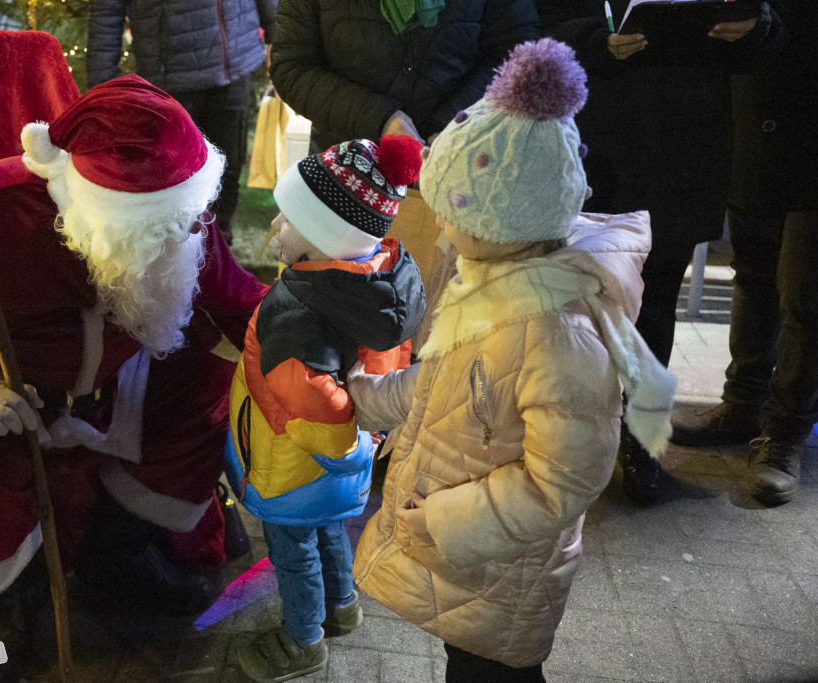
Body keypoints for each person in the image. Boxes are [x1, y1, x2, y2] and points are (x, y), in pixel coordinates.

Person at [0, 75, 269, 681]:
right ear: (103, 209)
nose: (190, 234)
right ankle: (11, 598)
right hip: (15, 393)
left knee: (203, 392)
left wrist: (308, 342)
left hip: (126, 384)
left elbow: (236, 297)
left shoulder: (176, 209)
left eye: (192, 214)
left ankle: (122, 555)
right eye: (162, 225)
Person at [346, 40, 677, 681]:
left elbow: (565, 481)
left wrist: (444, 522)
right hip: (470, 558)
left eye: (451, 216)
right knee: (465, 663)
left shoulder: (557, 332)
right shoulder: (497, 279)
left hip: (500, 564)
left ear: (504, 220)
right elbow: (449, 384)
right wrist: (368, 399)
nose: (440, 231)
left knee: (492, 672)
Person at [535, 0, 784, 503]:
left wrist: (757, 30)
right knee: (571, 296)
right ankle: (564, 440)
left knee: (656, 300)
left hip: (686, 139)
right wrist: (590, 41)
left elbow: (767, 42)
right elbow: (529, 24)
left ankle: (641, 443)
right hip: (595, 133)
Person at [225, 135, 426, 682]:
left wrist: (339, 444)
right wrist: (361, 444)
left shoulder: (296, 312)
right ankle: (343, 606)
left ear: (320, 240)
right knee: (332, 529)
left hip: (296, 467)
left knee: (294, 551)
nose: (275, 229)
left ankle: (302, 640)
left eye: (287, 221)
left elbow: (309, 402)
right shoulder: (376, 290)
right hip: (350, 462)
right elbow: (383, 373)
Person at [671, 0, 816, 506]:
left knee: (805, 292)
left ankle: (784, 435)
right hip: (757, 110)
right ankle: (741, 406)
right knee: (753, 271)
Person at [86, 0, 276, 244]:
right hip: (171, 76)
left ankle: (220, 252)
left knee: (227, 170)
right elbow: (107, 10)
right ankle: (177, 259)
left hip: (234, 62)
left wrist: (278, 36)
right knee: (174, 182)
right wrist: (104, 88)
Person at [268, 0, 539, 152]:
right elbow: (292, 66)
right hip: (349, 169)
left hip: (461, 161)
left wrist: (452, 122)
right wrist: (381, 118)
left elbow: (515, 52)